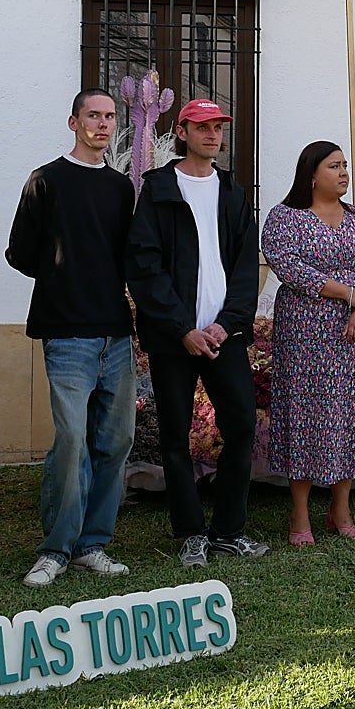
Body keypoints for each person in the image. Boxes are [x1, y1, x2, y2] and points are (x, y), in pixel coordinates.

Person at [127, 98, 268, 566]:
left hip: (223, 336)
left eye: (219, 127)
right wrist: (183, 328)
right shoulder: (160, 189)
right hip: (174, 339)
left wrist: (227, 325)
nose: (213, 135)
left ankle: (228, 531)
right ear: (182, 132)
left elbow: (247, 267)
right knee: (175, 436)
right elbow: (144, 267)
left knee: (242, 426)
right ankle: (191, 533)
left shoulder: (231, 191)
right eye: (202, 127)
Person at [5, 89, 136, 588]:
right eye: (93, 116)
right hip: (66, 334)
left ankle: (91, 545)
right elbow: (20, 252)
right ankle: (55, 550)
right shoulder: (46, 181)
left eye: (109, 117)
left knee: (116, 440)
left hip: (116, 336)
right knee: (72, 441)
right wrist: (65, 277)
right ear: (73, 121)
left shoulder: (122, 188)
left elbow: (127, 257)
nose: (103, 124)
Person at [261, 141, 355, 545]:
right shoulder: (286, 219)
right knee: (304, 411)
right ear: (311, 174)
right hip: (304, 331)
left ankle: (341, 508)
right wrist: (344, 292)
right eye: (335, 166)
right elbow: (287, 266)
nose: (344, 173)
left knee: (350, 412)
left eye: (346, 165)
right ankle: (300, 513)